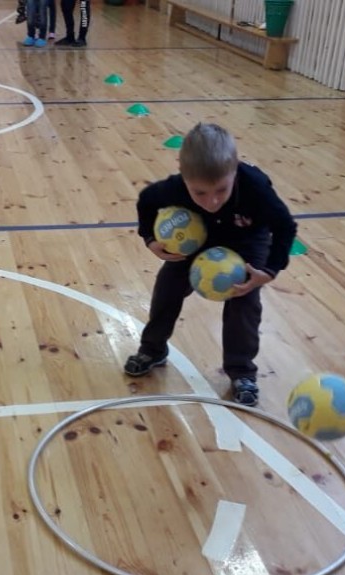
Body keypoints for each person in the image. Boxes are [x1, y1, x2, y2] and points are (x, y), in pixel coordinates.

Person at [125, 123, 297, 406]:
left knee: (244, 302)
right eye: (199, 193)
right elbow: (147, 200)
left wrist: (269, 270)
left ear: (235, 170)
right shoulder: (174, 188)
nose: (212, 201)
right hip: (198, 237)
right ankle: (153, 349)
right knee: (167, 287)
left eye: (221, 189)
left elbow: (285, 227)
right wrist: (150, 238)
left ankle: (242, 372)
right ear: (184, 176)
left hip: (246, 241)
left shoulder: (256, 187)